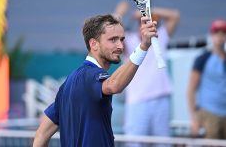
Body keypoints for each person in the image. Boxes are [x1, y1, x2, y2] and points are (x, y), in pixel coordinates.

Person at [33, 14, 158, 147]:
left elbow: (41, 135)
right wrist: (143, 46)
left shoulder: (67, 85)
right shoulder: (90, 75)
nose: (120, 46)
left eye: (122, 39)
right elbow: (113, 85)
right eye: (113, 40)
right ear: (94, 44)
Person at [114, 1, 180, 145]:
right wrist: (119, 14)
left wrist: (147, 11)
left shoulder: (160, 36)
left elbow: (175, 15)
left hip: (161, 99)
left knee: (163, 143)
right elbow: (113, 33)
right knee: (134, 143)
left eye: (152, 22)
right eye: (145, 22)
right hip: (137, 101)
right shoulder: (129, 40)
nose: (150, 25)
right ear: (139, 24)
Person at [187, 19, 226, 139]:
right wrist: (194, 119)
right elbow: (191, 90)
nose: (219, 37)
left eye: (223, 33)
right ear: (211, 35)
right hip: (209, 114)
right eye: (216, 33)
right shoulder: (203, 59)